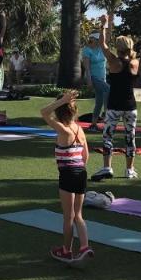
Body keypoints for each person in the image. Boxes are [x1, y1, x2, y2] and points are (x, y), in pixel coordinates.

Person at [41, 89, 91, 262]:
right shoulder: (79, 130)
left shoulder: (64, 130)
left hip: (68, 174)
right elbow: (86, 157)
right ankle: (84, 246)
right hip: (81, 173)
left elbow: (43, 112)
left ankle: (66, 250)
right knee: (78, 214)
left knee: (68, 216)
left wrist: (62, 100)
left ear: (60, 110)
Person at [96, 21, 141, 180]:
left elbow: (102, 43)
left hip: (114, 105)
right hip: (130, 106)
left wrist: (103, 26)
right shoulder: (135, 63)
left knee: (108, 136)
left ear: (118, 47)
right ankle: (129, 170)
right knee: (130, 137)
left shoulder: (114, 61)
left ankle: (107, 167)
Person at [81, 22, 110, 126]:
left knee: (99, 101)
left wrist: (106, 24)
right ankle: (107, 116)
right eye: (94, 39)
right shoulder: (86, 50)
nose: (95, 41)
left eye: (97, 40)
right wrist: (89, 80)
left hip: (102, 78)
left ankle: (93, 124)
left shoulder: (101, 48)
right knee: (108, 89)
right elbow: (87, 68)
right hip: (93, 77)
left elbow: (107, 35)